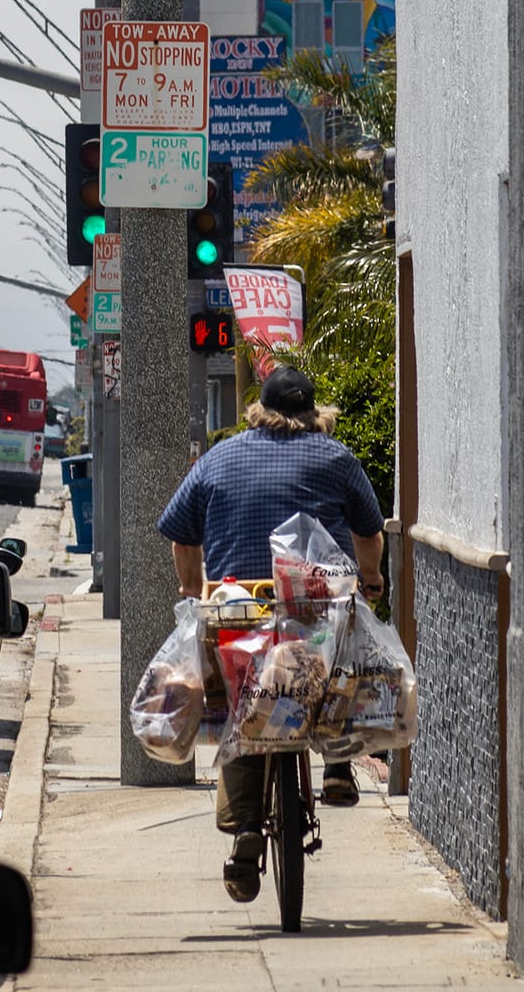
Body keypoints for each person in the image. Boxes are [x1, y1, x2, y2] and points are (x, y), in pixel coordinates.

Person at [156, 366, 387, 904]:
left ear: (259, 409)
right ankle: (336, 763)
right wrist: (371, 579)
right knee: (346, 644)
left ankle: (243, 831)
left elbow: (180, 536)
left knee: (244, 704)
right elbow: (369, 534)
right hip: (313, 611)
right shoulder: (335, 457)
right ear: (312, 414)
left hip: (238, 615)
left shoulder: (218, 458)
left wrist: (195, 591)